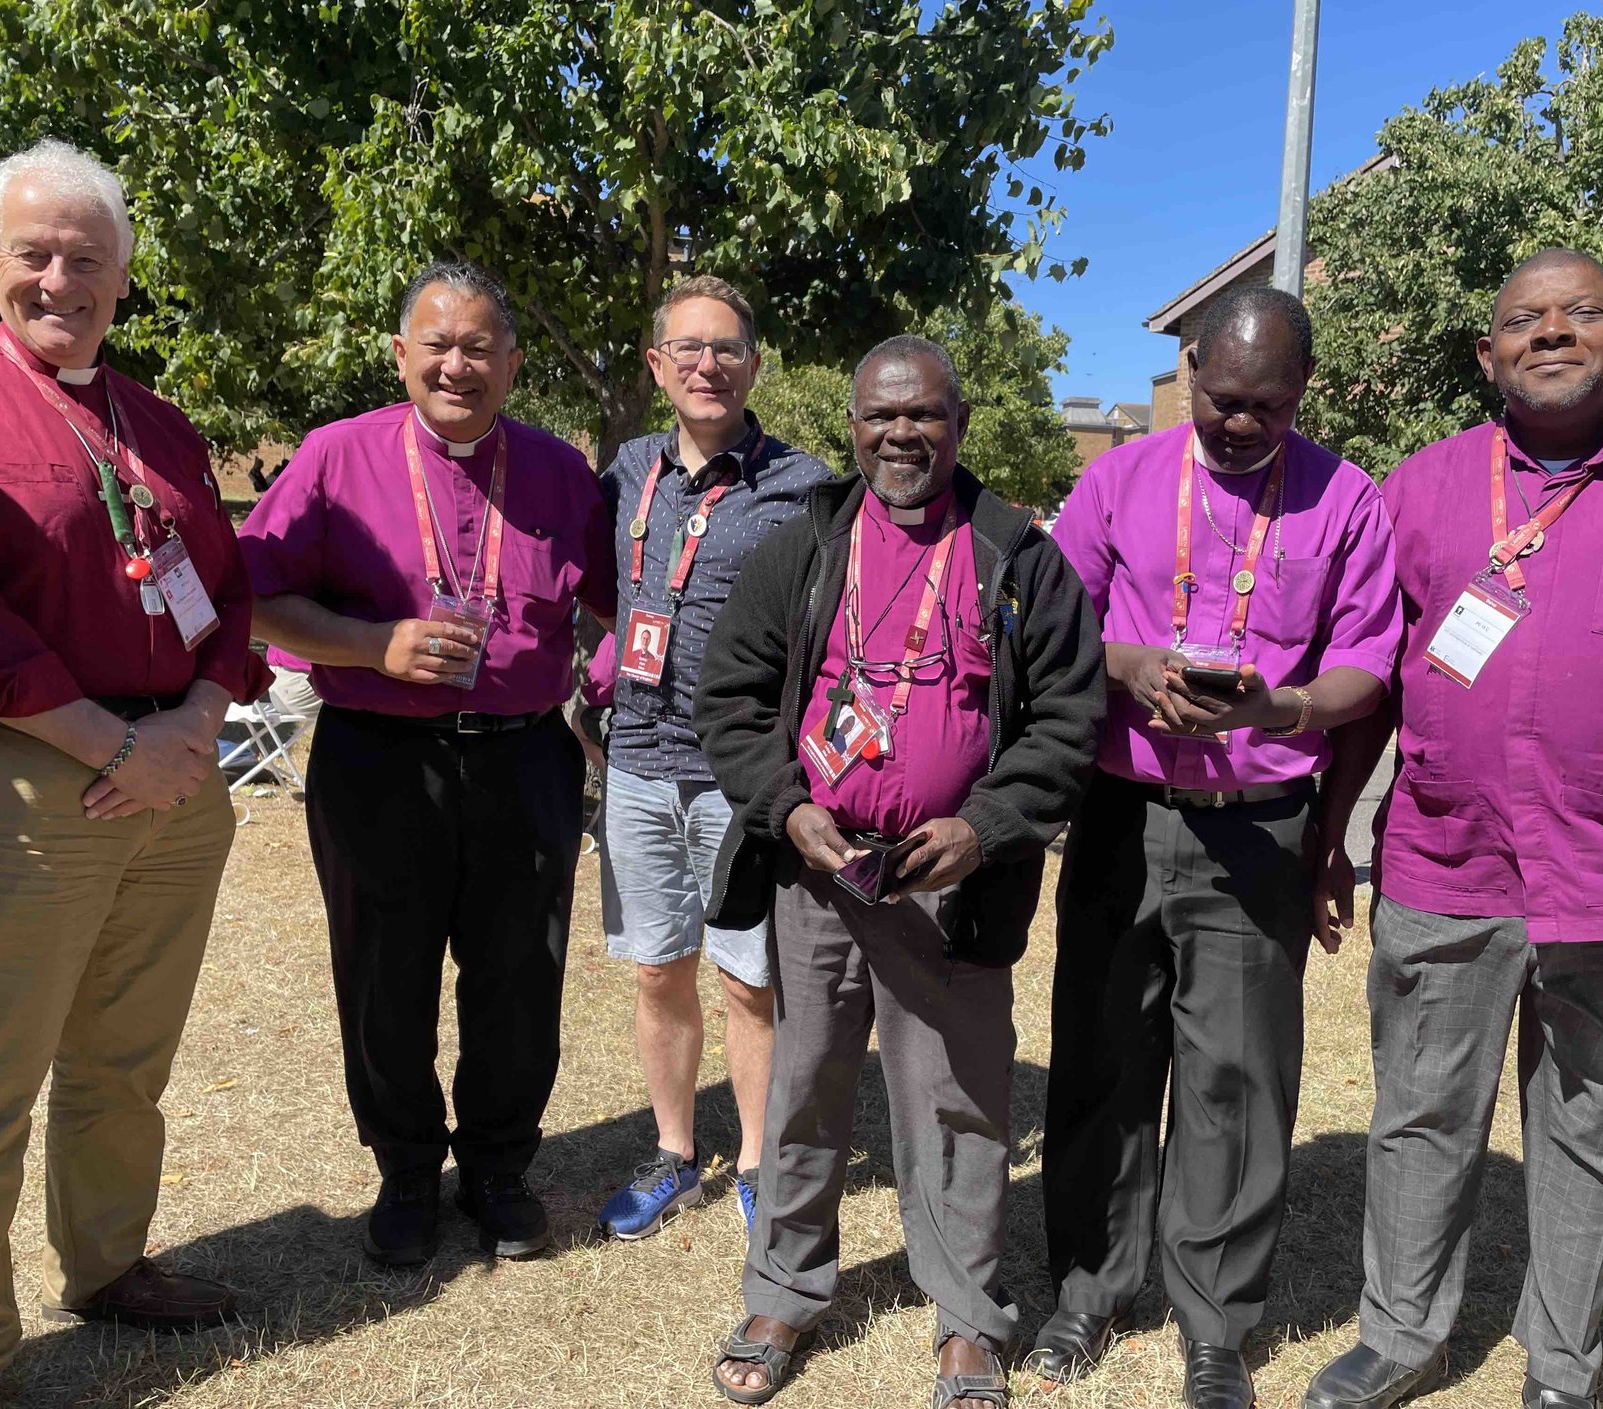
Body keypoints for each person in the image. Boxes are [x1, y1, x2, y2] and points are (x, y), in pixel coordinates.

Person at [1303, 249, 1603, 1409]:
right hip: (1445, 866)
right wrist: (1327, 833)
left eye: (1581, 315)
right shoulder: (1417, 490)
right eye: (1525, 320)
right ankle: (1403, 1334)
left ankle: (1561, 1363)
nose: (1551, 333)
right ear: (1488, 351)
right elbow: (1373, 676)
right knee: (1418, 1115)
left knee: (1600, 1131)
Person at [0, 138, 270, 1406]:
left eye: (88, 259)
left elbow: (227, 593)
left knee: (124, 1056)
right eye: (35, 253)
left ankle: (107, 1262)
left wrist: (198, 723)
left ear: (123, 278)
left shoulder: (155, 422)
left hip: (173, 779)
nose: (61, 278)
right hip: (24, 781)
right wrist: (115, 744)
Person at [695, 335, 1105, 1407]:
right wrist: (787, 805)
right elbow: (730, 696)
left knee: (961, 1101)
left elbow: (1069, 713)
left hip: (949, 883)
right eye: (881, 416)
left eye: (923, 414)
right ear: (854, 427)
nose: (901, 434)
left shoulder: (1016, 551)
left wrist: (990, 822)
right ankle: (784, 1283)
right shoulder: (806, 543)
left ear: (959, 423)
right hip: (820, 876)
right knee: (804, 1084)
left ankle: (968, 1314)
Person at [1039, 286, 1403, 1408]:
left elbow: (1367, 664)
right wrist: (1132, 665)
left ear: (1303, 393)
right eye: (1222, 398)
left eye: (1267, 406)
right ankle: (1088, 1289)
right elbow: (1054, 621)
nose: (1239, 422)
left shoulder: (1347, 499)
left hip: (1258, 825)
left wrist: (1278, 707)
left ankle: (1216, 1322)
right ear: (1190, 367)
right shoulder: (1120, 480)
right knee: (1103, 1053)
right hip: (1122, 813)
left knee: (1236, 1079)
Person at [238, 261, 616, 1266]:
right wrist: (373, 644)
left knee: (518, 978)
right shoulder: (331, 456)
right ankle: (406, 1169)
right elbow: (254, 593)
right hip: (378, 758)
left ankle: (498, 1166)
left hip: (525, 760)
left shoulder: (559, 472)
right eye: (437, 344)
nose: (458, 364)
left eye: (480, 345)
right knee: (381, 979)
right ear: (401, 353)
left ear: (513, 362)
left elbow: (625, 601)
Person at [590, 276, 832, 1241]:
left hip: (743, 775)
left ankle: (762, 1164)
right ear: (658, 367)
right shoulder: (625, 471)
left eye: (726, 348)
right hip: (638, 765)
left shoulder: (805, 484)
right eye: (687, 348)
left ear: (755, 364)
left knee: (747, 978)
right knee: (659, 969)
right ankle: (676, 1151)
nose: (707, 364)